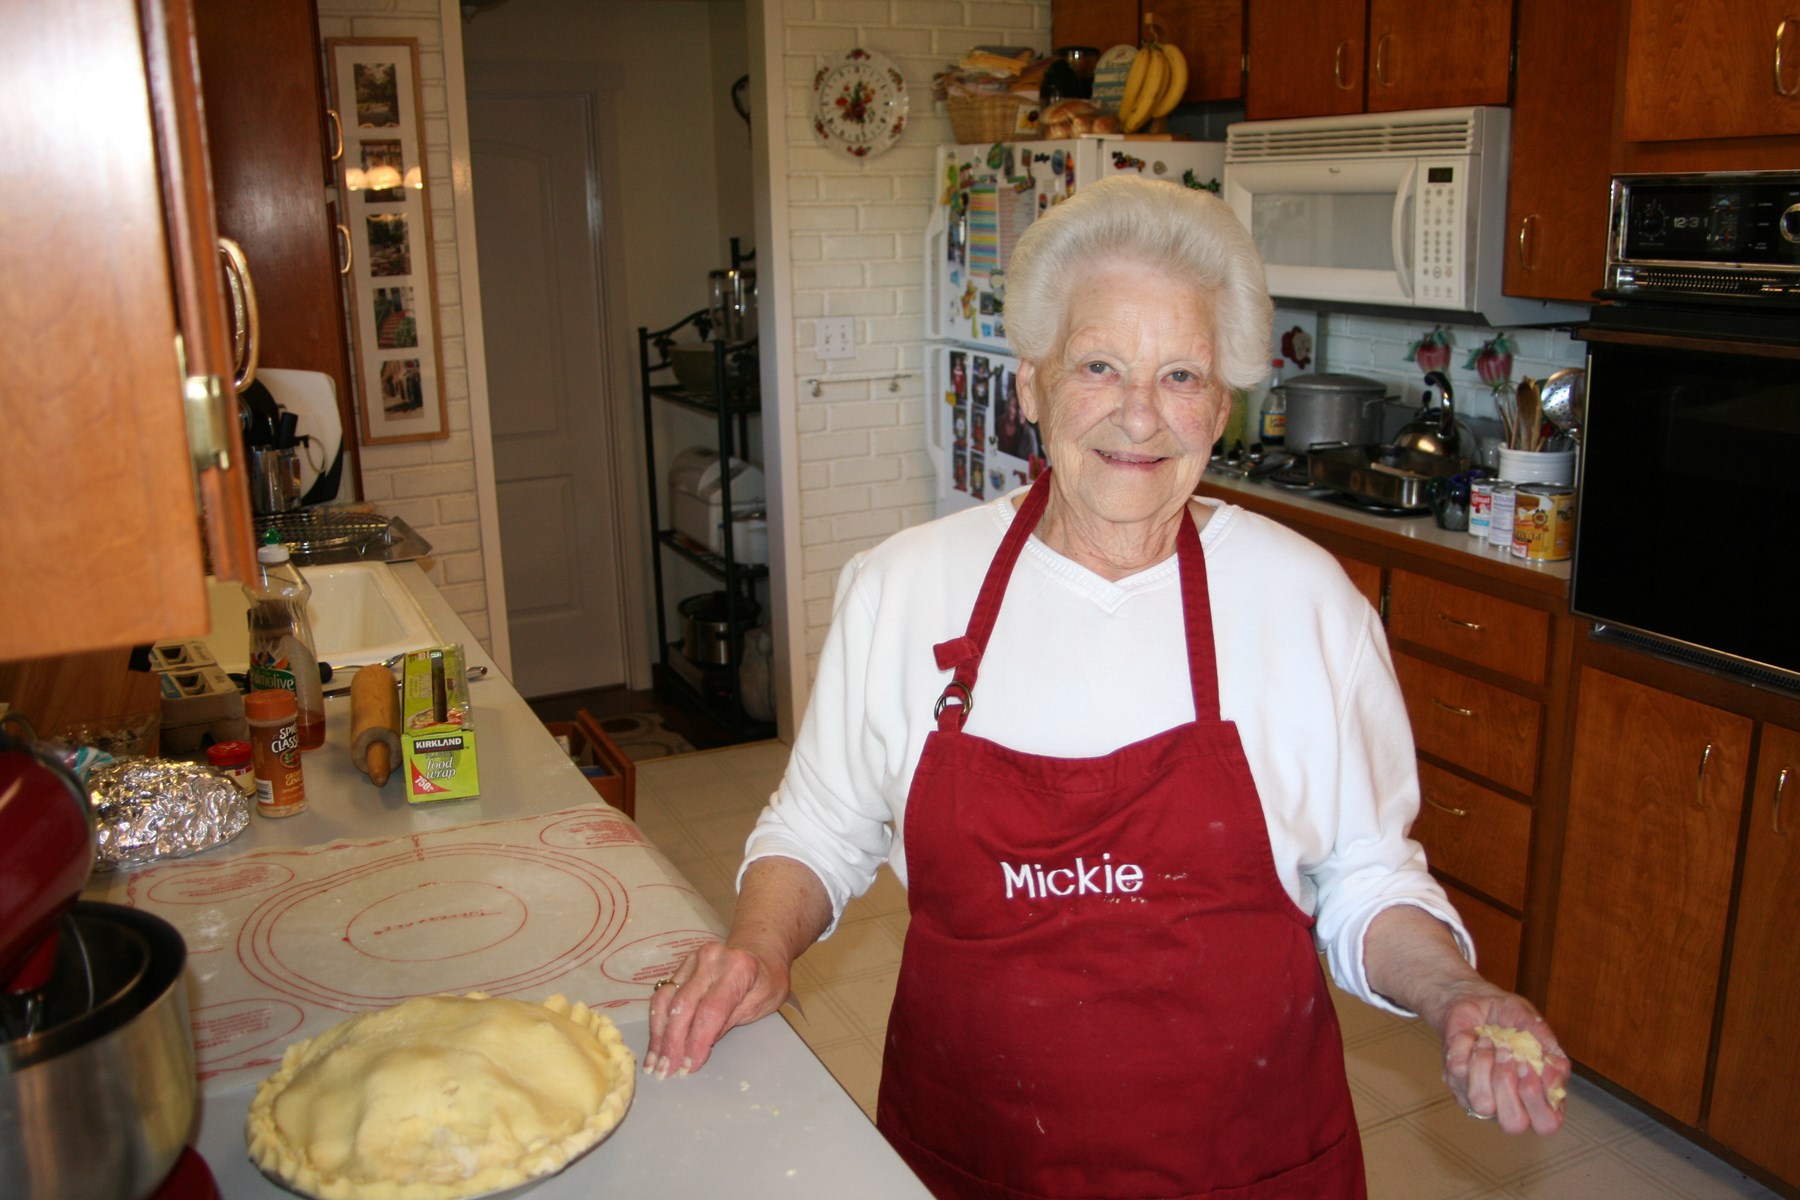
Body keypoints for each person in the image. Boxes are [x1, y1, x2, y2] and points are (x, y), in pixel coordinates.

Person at [647, 176, 1568, 1199]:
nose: (1141, 415)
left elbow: (1367, 878)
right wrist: (757, 944)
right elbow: (820, 826)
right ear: (1033, 386)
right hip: (978, 1153)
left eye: (1180, 374)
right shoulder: (903, 588)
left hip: (1244, 1163)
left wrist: (1452, 991)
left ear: (1222, 407)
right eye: (1100, 366)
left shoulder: (1308, 604)